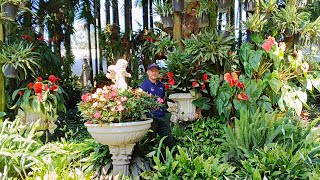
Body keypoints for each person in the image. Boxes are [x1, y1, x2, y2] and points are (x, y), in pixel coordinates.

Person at [140, 63, 174, 149]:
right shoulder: (144, 86)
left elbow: (163, 99)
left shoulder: (161, 86)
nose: (154, 73)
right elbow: (140, 101)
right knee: (150, 140)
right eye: (152, 71)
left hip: (161, 116)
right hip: (151, 118)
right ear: (148, 72)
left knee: (169, 139)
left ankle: (170, 158)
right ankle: (149, 160)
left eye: (156, 71)